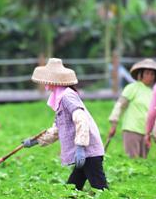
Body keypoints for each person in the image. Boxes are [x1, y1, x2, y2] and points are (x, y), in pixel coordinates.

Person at [22, 58, 107, 190]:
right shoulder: (60, 97)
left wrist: (80, 147)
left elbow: (81, 119)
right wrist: (34, 141)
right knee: (73, 187)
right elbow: (57, 129)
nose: (45, 83)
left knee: (99, 188)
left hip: (89, 151)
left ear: (53, 80)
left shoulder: (67, 96)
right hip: (84, 152)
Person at [107, 58, 156, 158]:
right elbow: (120, 105)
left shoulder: (153, 93)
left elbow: (155, 116)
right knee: (133, 160)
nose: (150, 76)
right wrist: (114, 124)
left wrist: (155, 135)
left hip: (146, 133)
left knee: (143, 161)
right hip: (132, 130)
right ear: (140, 74)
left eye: (152, 74)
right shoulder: (132, 88)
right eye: (147, 73)